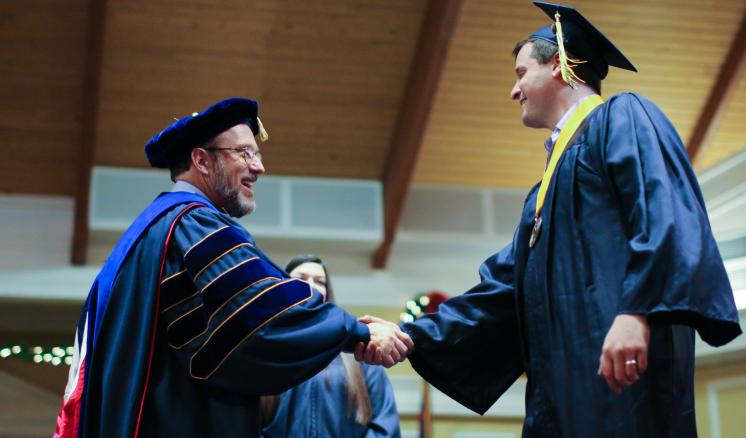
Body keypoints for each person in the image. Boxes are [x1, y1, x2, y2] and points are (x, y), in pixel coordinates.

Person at [360, 2, 742, 437]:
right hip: (560, 390)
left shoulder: (623, 118)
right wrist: (410, 334)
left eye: (521, 73)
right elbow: (502, 292)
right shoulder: (541, 197)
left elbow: (666, 212)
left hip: (623, 372)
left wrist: (637, 312)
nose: (514, 90)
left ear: (560, 64)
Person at [53, 98, 413, 438]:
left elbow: (210, 341)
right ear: (202, 161)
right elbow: (259, 312)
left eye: (256, 154)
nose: (259, 167)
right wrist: (357, 332)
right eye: (244, 153)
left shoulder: (152, 231)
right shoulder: (195, 224)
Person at [261, 255, 401, 438]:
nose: (311, 285)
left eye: (320, 281)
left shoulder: (359, 355)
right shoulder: (263, 353)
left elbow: (385, 426)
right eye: (301, 278)